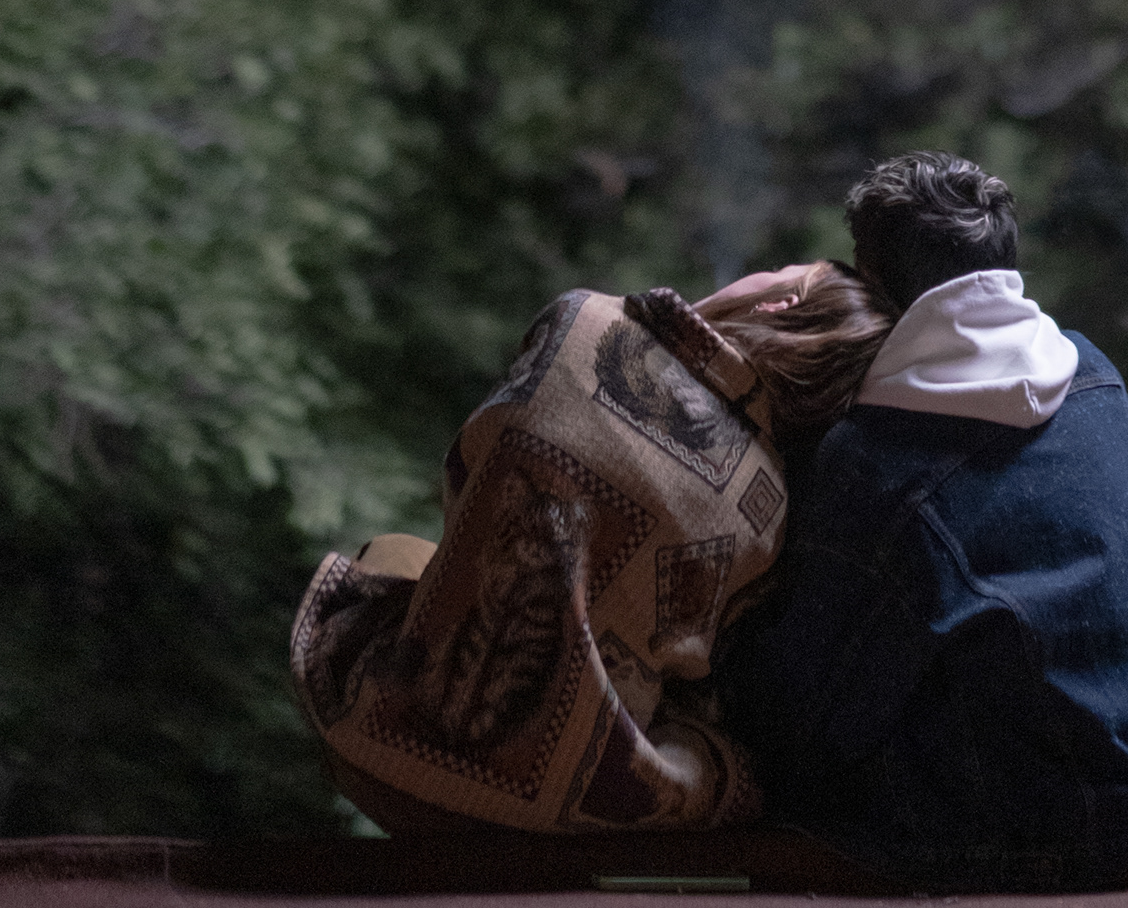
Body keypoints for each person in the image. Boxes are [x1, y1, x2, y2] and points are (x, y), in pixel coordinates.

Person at [717, 151, 1128, 890]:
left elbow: (815, 701)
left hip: (1027, 818)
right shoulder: (1089, 370)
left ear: (874, 278)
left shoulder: (876, 457)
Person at [289, 261, 891, 835]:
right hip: (562, 820)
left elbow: (464, 487)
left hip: (374, 750)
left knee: (392, 553)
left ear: (778, 303)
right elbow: (698, 666)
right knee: (733, 757)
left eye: (779, 271)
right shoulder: (769, 505)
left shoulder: (581, 321)